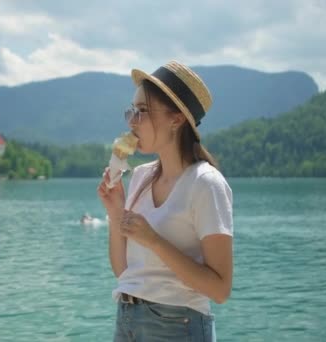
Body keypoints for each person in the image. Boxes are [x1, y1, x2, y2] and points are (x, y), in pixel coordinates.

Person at [97, 61, 233, 341]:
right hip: (128, 319)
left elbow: (220, 290)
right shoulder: (140, 177)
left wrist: (154, 241)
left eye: (143, 111)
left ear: (177, 118)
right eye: (131, 111)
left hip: (177, 326)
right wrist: (115, 214)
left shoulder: (205, 183)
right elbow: (125, 272)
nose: (132, 121)